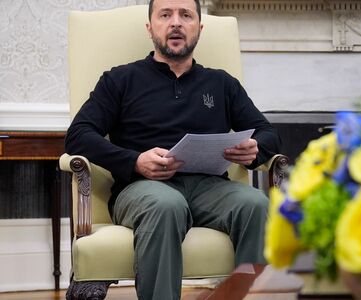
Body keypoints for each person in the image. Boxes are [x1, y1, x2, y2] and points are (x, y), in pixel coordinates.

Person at [64, 0, 281, 298]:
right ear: (150, 27)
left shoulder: (221, 83)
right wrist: (135, 160)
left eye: (186, 15)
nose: (175, 23)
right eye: (165, 15)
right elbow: (78, 135)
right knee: (166, 205)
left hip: (211, 188)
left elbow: (268, 132)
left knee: (255, 203)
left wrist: (255, 148)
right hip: (143, 187)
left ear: (199, 28)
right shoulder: (120, 79)